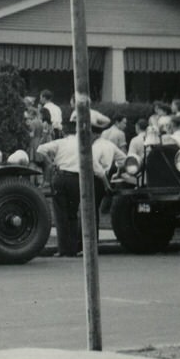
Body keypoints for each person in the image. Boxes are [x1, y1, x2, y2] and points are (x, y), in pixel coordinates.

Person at [35, 109, 124, 257]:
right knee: (73, 214)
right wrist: (108, 185)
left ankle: (64, 249)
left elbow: (40, 149)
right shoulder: (85, 147)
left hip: (60, 177)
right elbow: (98, 169)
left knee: (61, 215)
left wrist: (51, 163)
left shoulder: (61, 142)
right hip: (77, 179)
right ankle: (74, 248)